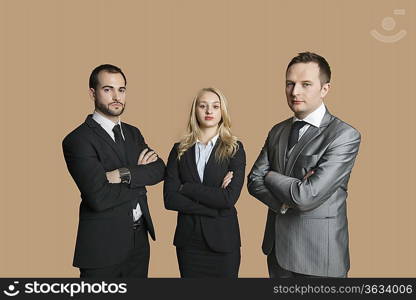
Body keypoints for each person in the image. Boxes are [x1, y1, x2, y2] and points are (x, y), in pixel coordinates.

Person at [247, 52, 361, 278]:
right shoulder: (277, 130)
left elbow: (306, 196)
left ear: (325, 89)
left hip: (319, 256)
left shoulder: (344, 135)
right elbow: (252, 180)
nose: (295, 92)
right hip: (278, 251)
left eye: (305, 84)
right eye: (290, 84)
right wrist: (281, 204)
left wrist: (270, 176)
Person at [62, 64, 165, 277]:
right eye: (108, 89)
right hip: (102, 247)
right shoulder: (78, 140)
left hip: (139, 242)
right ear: (93, 93)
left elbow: (159, 169)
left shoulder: (132, 133)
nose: (116, 96)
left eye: (121, 89)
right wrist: (139, 177)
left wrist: (122, 174)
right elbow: (98, 197)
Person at [164, 87, 246, 278]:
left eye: (215, 106)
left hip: (223, 242)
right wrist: (212, 207)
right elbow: (170, 199)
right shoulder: (179, 150)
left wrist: (187, 188)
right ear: (195, 111)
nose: (209, 111)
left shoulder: (234, 149)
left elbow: (228, 199)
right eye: (203, 106)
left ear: (222, 112)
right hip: (189, 243)